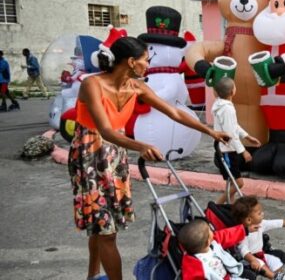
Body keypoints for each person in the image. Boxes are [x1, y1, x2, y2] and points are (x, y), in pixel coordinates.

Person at [68, 31, 232, 280]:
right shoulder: (93, 84)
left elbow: (174, 113)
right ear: (131, 62)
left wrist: (210, 131)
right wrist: (141, 146)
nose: (149, 64)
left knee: (103, 224)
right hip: (90, 156)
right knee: (106, 230)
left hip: (115, 156)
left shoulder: (137, 86)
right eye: (145, 59)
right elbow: (105, 131)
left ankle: (92, 274)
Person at [212, 77, 261, 204]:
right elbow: (231, 133)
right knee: (238, 183)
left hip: (224, 148)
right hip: (226, 150)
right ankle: (216, 205)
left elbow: (233, 126)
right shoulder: (227, 109)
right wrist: (243, 151)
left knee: (231, 182)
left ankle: (231, 208)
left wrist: (247, 136)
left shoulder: (221, 105)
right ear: (233, 92)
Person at [230, 196, 285, 280]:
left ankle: (280, 276)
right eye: (259, 213)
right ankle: (274, 277)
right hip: (247, 260)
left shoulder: (261, 225)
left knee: (275, 261)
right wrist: (252, 260)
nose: (262, 214)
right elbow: (244, 251)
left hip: (261, 254)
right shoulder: (242, 233)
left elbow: (274, 223)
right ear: (249, 220)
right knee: (260, 263)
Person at [178, 218, 250, 280]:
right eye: (210, 230)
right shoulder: (193, 264)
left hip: (229, 276)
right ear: (208, 242)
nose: (213, 231)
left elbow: (226, 235)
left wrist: (244, 229)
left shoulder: (211, 243)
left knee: (250, 275)